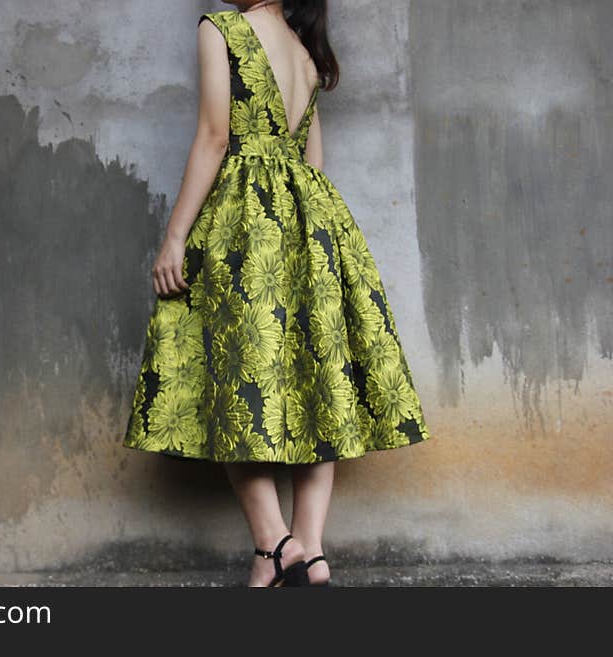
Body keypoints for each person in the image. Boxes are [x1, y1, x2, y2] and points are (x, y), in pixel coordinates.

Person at [122, 0, 431, 587]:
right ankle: (309, 549)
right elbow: (313, 163)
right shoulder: (303, 46)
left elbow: (216, 137)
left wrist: (175, 237)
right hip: (315, 224)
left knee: (232, 380)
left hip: (247, 226)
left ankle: (272, 540)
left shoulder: (223, 29)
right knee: (317, 381)